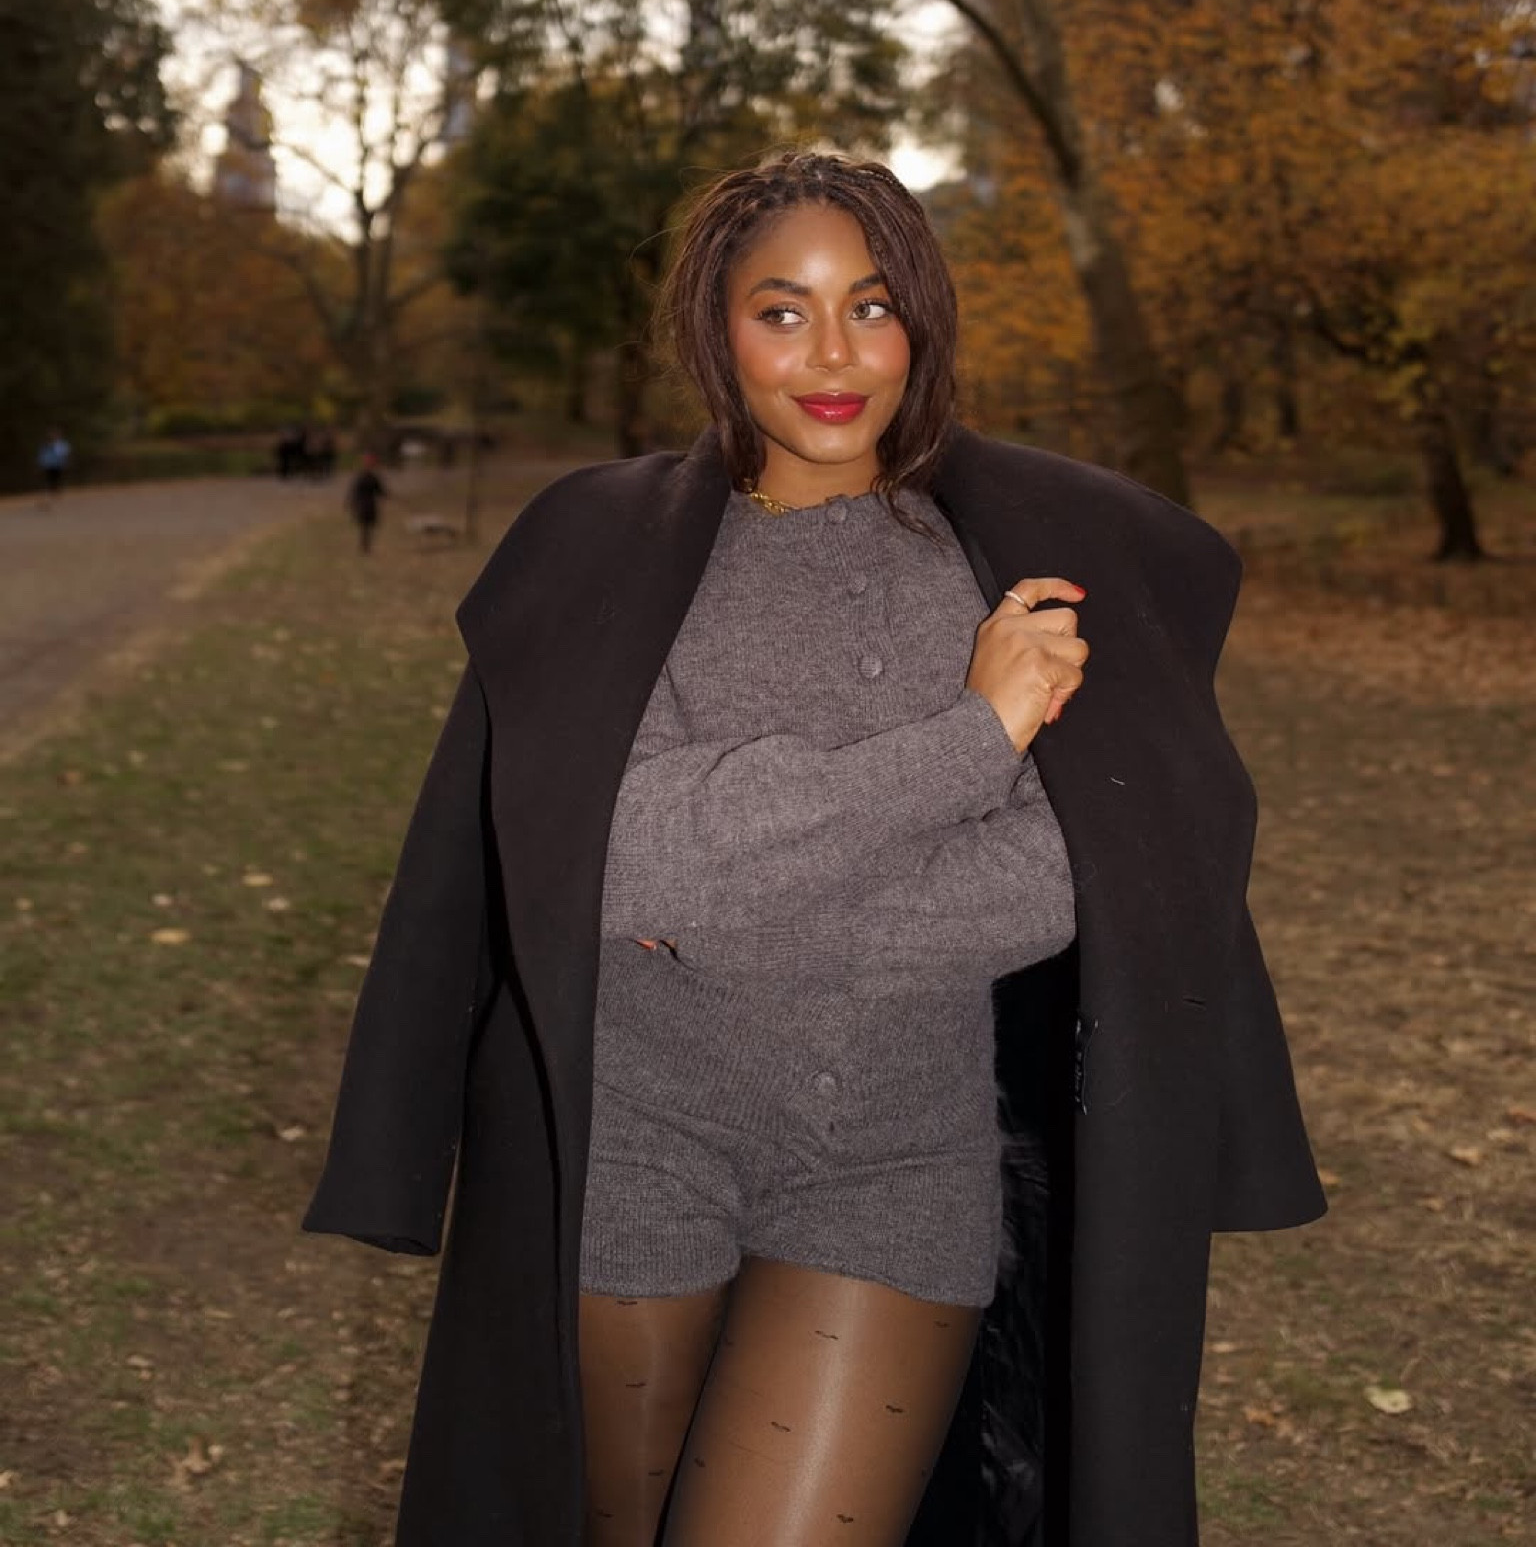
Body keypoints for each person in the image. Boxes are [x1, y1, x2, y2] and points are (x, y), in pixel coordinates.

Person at [305, 151, 1324, 1547]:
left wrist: (734, 907)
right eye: (782, 311)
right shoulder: (609, 554)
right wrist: (969, 741)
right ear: (714, 332)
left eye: (874, 305)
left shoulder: (1022, 564)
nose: (833, 355)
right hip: (635, 1149)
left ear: (926, 323)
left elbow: (1061, 878)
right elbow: (615, 855)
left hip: (896, 1161)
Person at [345, 454, 387, 554]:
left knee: (369, 527)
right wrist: (351, 504)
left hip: (371, 505)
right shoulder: (360, 476)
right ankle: (364, 547)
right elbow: (353, 491)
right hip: (362, 505)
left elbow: (380, 491)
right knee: (364, 527)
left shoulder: (374, 477)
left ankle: (366, 547)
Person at [37, 429, 72, 500]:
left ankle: (56, 491)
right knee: (50, 478)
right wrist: (42, 462)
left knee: (57, 477)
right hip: (49, 464)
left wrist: (65, 461)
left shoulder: (60, 444)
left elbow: (65, 453)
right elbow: (42, 454)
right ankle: (51, 491)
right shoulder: (46, 445)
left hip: (58, 464)